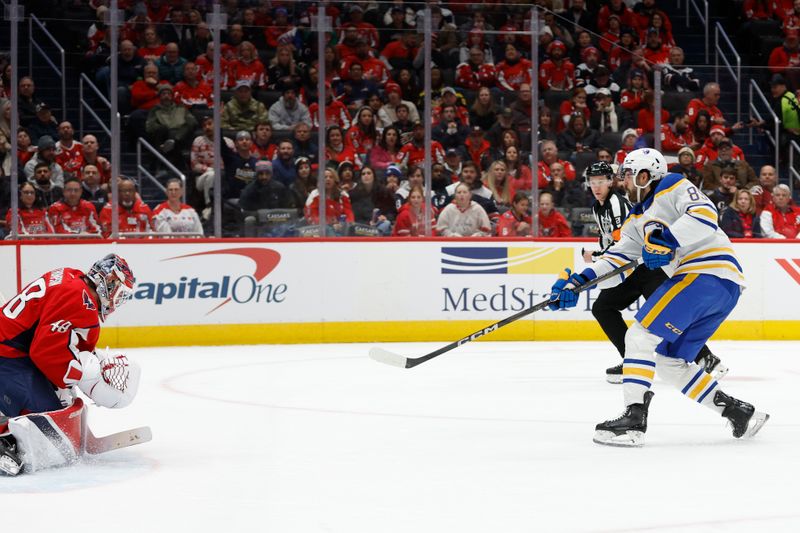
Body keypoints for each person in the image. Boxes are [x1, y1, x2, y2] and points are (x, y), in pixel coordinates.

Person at [548, 148, 768, 447]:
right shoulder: (637, 218)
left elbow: (705, 213)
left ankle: (634, 417)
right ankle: (736, 411)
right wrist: (579, 282)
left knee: (639, 335)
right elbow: (619, 259)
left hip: (706, 272)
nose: (621, 180)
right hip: (721, 288)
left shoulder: (672, 185)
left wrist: (667, 240)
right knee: (669, 361)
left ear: (643, 175)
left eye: (626, 173)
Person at [0, 254, 140, 476]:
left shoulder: (72, 278)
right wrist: (82, 372)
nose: (117, 302)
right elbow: (44, 352)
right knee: (48, 430)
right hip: (6, 355)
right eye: (119, 294)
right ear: (109, 283)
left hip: (15, 352)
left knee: (60, 407)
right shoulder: (79, 301)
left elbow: (52, 341)